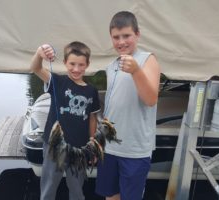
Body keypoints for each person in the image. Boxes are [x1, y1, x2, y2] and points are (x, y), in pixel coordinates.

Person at [95, 11, 161, 200]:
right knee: (111, 196)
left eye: (126, 36)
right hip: (109, 147)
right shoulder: (111, 66)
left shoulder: (148, 59)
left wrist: (135, 71)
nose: (121, 41)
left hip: (134, 150)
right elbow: (111, 108)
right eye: (116, 37)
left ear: (137, 35)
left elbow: (151, 99)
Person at [30, 41, 101, 200]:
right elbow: (35, 68)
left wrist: (93, 144)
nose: (76, 69)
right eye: (72, 64)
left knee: (76, 188)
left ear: (87, 65)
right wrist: (39, 53)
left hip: (79, 148)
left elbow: (92, 119)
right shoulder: (57, 81)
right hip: (54, 147)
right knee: (49, 186)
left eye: (81, 65)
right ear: (64, 63)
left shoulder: (91, 91)